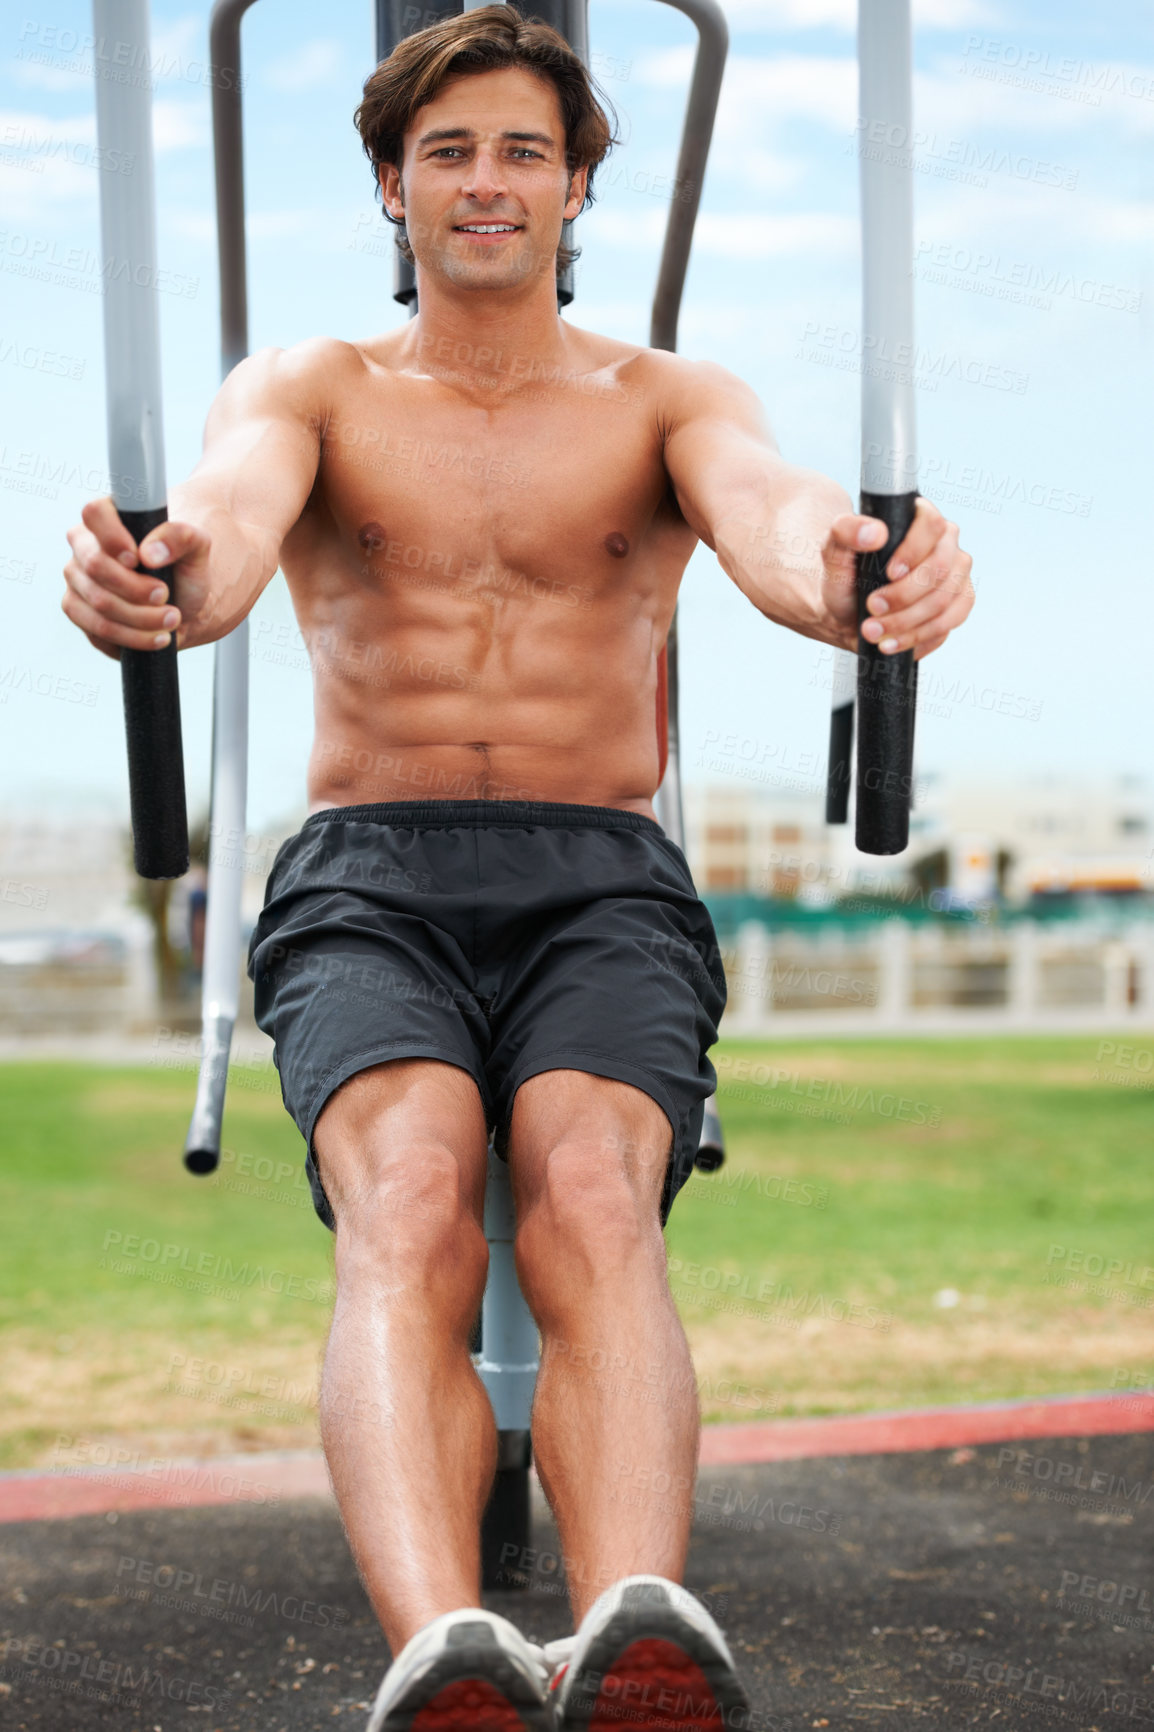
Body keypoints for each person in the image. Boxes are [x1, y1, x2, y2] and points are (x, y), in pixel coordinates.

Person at [61, 8, 975, 1727]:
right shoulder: (312, 386)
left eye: (524, 151)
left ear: (577, 189)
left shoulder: (666, 398)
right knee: (408, 1200)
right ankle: (443, 1653)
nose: (488, 183)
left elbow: (776, 522)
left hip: (599, 872)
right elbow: (225, 531)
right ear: (392, 186)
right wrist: (156, 579)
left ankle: (635, 1630)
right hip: (368, 872)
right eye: (451, 151)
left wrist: (864, 572)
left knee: (588, 1190)